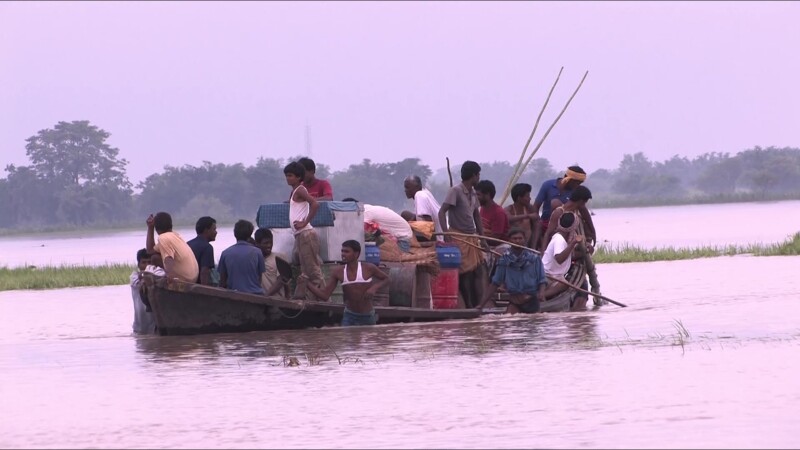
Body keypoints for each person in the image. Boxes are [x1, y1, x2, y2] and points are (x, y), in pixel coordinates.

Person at [305, 240, 390, 327]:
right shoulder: (338, 271)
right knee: (347, 340)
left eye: (346, 251)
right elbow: (325, 295)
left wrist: (374, 288)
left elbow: (386, 279)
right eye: (342, 251)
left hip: (367, 316)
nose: (343, 254)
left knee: (369, 340)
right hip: (350, 316)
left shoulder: (368, 268)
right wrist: (307, 283)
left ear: (356, 254)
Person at [438, 160, 487, 309]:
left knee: (478, 270)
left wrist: (482, 237)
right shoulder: (456, 191)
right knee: (465, 272)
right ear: (473, 175)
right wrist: (446, 233)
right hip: (458, 236)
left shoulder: (472, 192)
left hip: (471, 237)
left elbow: (476, 217)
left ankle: (480, 303)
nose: (479, 178)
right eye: (478, 175)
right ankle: (469, 305)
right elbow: (441, 212)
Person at [542, 185, 601, 303]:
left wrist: (588, 244)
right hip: (562, 251)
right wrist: (543, 253)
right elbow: (548, 234)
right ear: (581, 201)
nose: (585, 205)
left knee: (585, 256)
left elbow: (585, 228)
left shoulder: (577, 212)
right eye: (585, 202)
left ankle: (594, 291)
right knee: (564, 281)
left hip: (570, 250)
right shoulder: (559, 212)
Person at [476, 228, 547, 314]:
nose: (517, 241)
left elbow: (542, 279)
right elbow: (495, 283)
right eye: (514, 239)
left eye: (520, 238)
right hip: (515, 301)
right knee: (509, 322)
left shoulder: (534, 258)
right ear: (510, 240)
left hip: (531, 300)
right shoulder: (504, 260)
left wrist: (541, 293)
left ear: (525, 240)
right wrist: (482, 304)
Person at [284, 161, 325, 300]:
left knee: (313, 270)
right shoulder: (295, 191)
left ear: (298, 177)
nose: (287, 178)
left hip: (306, 233)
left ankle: (324, 299)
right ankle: (309, 298)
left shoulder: (300, 190)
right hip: (301, 235)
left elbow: (315, 204)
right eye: (286, 175)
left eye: (290, 176)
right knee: (305, 269)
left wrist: (304, 222)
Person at [531, 165, 596, 250]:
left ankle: (582, 250)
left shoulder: (576, 191)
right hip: (547, 221)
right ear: (570, 180)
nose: (578, 185)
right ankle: (536, 249)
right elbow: (536, 206)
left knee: (582, 224)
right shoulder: (548, 185)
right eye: (577, 183)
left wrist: (593, 231)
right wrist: (536, 222)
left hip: (567, 223)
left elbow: (583, 210)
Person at [541, 211, 588, 308]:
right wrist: (573, 242)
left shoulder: (561, 239)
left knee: (565, 283)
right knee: (565, 285)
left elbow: (568, 256)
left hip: (554, 276)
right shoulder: (559, 239)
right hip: (548, 276)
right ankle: (541, 295)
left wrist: (585, 251)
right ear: (573, 227)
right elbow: (559, 259)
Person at [343, 198, 414, 252]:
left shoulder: (365, 212)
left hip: (403, 240)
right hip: (400, 236)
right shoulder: (366, 209)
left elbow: (359, 232)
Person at [145, 212, 199, 283]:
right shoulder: (174, 235)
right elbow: (150, 250)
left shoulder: (163, 238)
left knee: (154, 258)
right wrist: (150, 227)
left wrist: (169, 275)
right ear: (171, 225)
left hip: (185, 278)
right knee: (155, 257)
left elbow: (168, 258)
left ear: (156, 227)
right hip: (193, 277)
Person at [218, 219, 266, 294]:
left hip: (233, 295)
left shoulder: (225, 253)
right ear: (250, 234)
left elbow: (222, 281)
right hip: (255, 295)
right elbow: (259, 278)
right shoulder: (257, 252)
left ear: (235, 234)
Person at [402, 175, 443, 240]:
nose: (405, 190)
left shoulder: (419, 195)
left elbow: (428, 223)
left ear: (416, 187)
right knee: (405, 215)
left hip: (435, 237)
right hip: (435, 233)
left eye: (407, 187)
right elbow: (417, 217)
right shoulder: (425, 192)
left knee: (404, 215)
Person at [254, 227, 291, 298]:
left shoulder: (279, 258)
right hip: (259, 301)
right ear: (257, 244)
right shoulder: (254, 259)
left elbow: (282, 280)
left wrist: (265, 297)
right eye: (265, 243)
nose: (269, 245)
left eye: (271, 242)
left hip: (276, 301)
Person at [130, 249, 157, 334]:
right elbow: (137, 283)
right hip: (139, 327)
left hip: (154, 326)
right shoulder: (134, 276)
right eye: (144, 262)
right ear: (138, 264)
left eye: (149, 262)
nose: (146, 266)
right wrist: (145, 278)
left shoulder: (158, 274)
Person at [505, 183, 538, 247]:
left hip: (527, 243)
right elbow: (508, 218)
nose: (530, 198)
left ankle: (533, 248)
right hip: (512, 244)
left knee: (538, 224)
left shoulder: (529, 208)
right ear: (519, 198)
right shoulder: (509, 209)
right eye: (527, 196)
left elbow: (536, 219)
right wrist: (528, 216)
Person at [186, 216, 217, 285]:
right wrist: (205, 291)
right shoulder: (207, 247)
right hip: (197, 287)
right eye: (214, 229)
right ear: (206, 230)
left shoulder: (187, 244)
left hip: (186, 284)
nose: (216, 232)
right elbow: (204, 272)